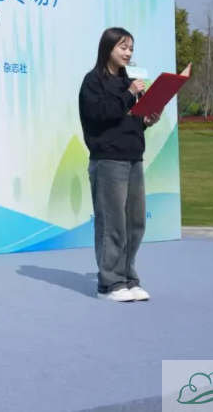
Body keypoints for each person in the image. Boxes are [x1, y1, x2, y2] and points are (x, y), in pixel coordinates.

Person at [78, 27, 161, 303]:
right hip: (107, 160)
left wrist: (146, 120)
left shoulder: (129, 82)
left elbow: (127, 120)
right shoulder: (93, 81)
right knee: (112, 223)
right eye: (123, 47)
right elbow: (100, 115)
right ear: (108, 48)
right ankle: (109, 283)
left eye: (131, 48)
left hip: (134, 157)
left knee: (135, 223)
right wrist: (129, 94)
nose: (128, 53)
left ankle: (127, 278)